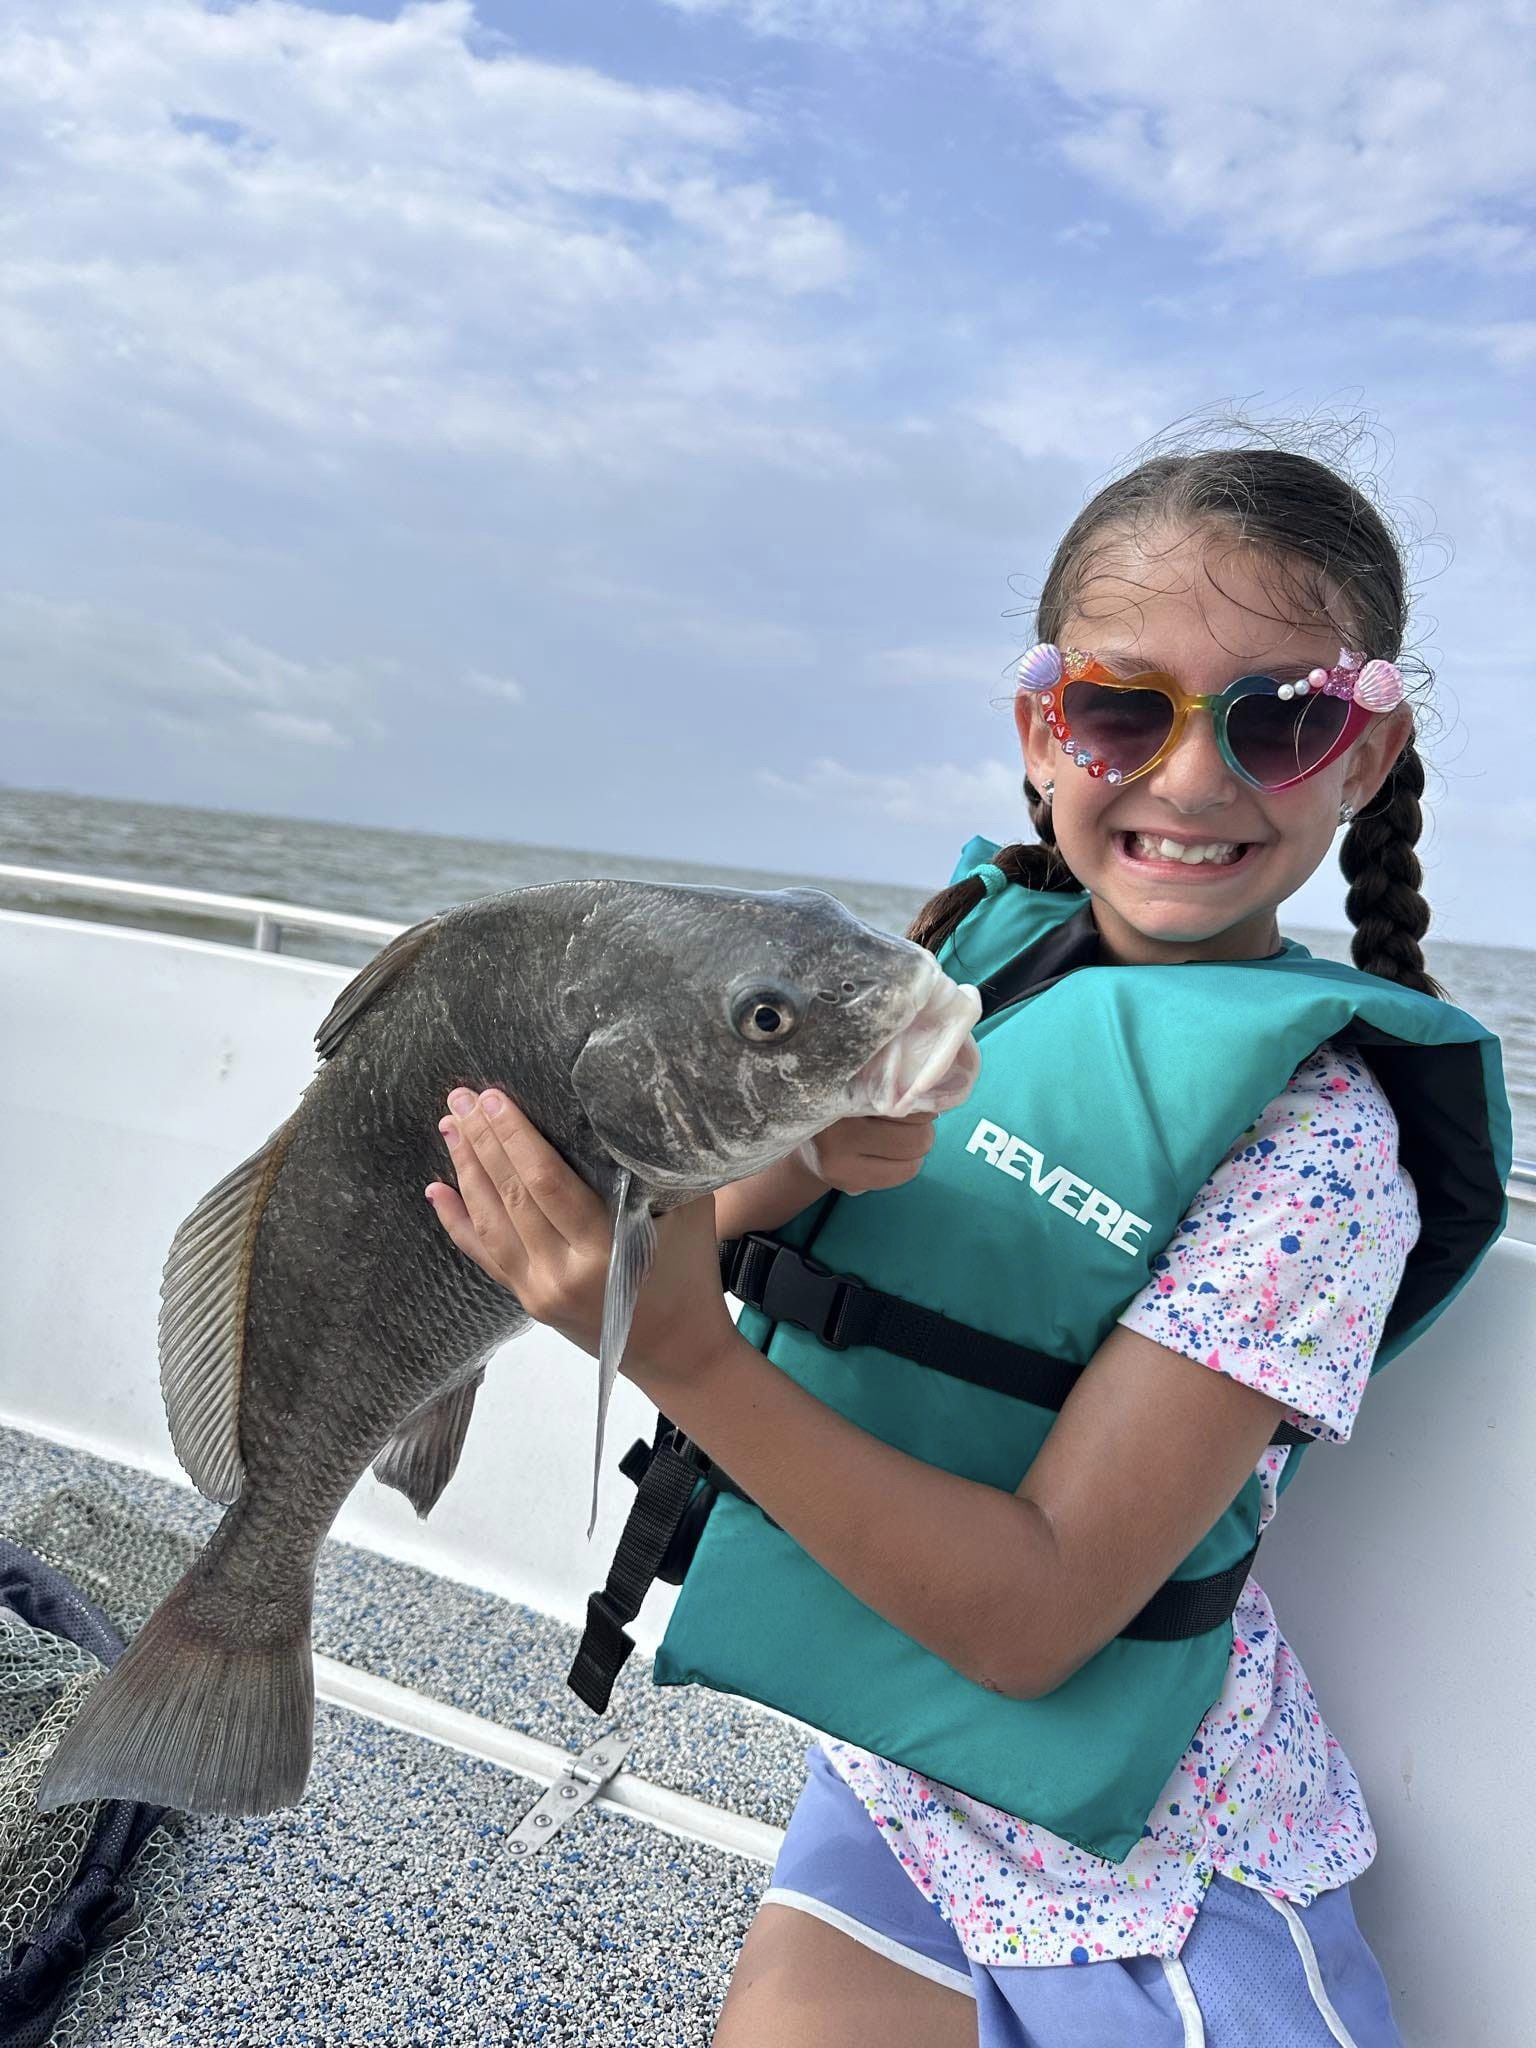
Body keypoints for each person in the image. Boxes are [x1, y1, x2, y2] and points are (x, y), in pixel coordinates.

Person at [423, 443, 1510, 2047]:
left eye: (1279, 719)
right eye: (1126, 711)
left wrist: (680, 1359)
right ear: (1042, 728)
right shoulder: (954, 966)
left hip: (1150, 1864)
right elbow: (736, 1228)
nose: (1192, 785)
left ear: (1364, 752)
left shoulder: (1323, 1154)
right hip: (899, 1783)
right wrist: (782, 1165)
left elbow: (1037, 1615)